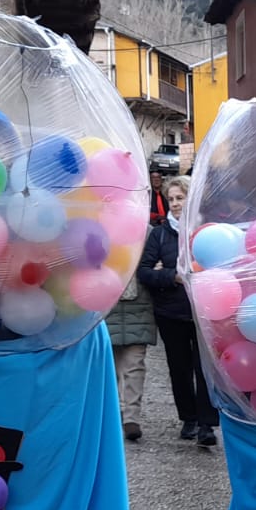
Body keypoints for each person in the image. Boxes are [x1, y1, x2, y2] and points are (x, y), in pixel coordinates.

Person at [138, 175, 218, 446]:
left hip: (203, 312)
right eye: (170, 199)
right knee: (179, 368)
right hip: (171, 313)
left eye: (179, 198)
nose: (174, 204)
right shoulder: (159, 235)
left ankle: (207, 424)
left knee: (205, 369)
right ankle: (189, 419)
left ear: (190, 198)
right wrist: (172, 276)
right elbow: (146, 272)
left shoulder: (206, 233)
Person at [104, 182, 158, 441]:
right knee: (109, 367)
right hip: (108, 308)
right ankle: (112, 417)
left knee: (135, 366)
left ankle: (131, 418)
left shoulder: (146, 233)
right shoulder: (100, 232)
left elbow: (151, 266)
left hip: (138, 307)